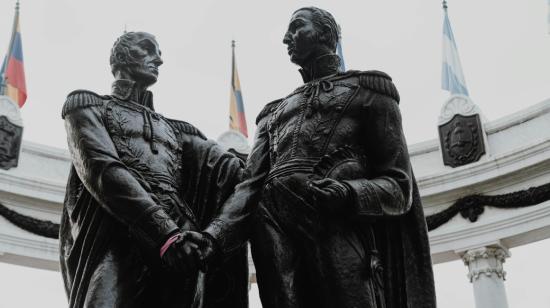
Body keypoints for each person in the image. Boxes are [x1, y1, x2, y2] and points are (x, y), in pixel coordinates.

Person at [191, 7, 436, 308]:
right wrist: (214, 236)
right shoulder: (272, 114)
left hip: (337, 227)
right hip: (274, 232)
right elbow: (248, 187)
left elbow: (400, 188)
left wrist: (349, 193)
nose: (285, 38)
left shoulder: (370, 92)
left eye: (296, 27)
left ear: (325, 33)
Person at [59, 31, 248, 308]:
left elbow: (234, 174)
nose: (158, 59)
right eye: (147, 49)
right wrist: (165, 233)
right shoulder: (87, 106)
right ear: (121, 56)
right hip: (119, 233)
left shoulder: (179, 131)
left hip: (182, 239)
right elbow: (103, 170)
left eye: (157, 52)